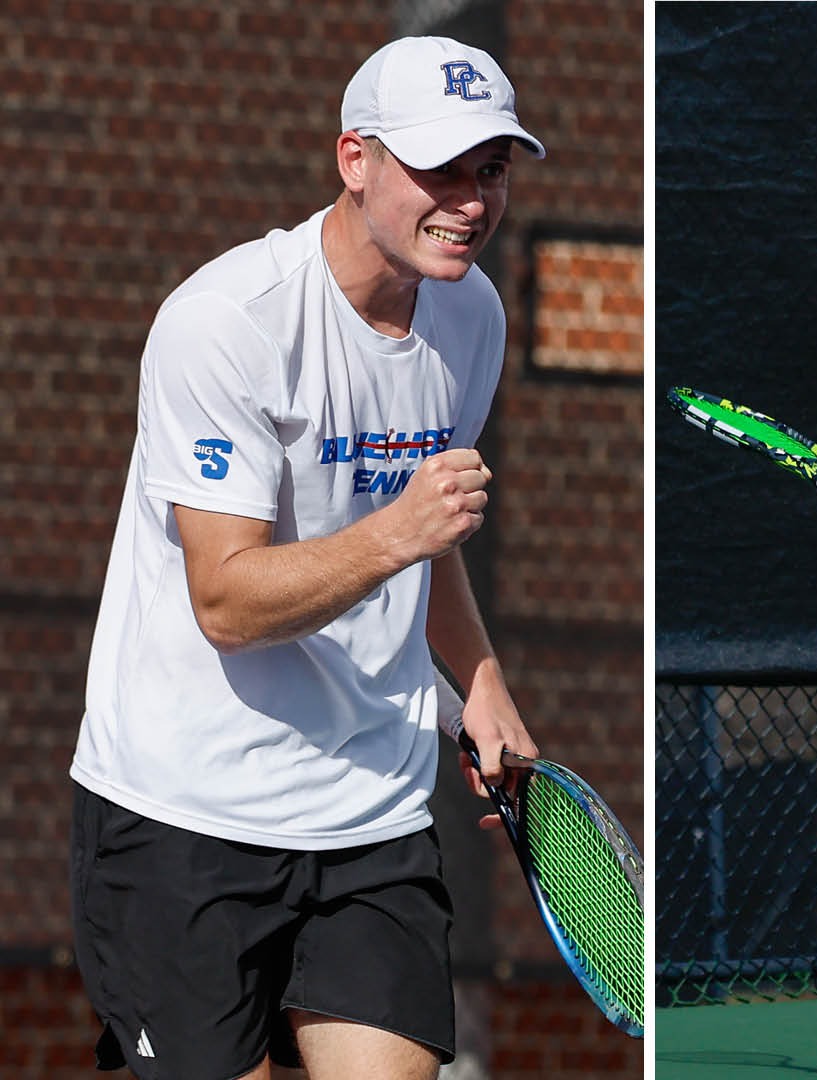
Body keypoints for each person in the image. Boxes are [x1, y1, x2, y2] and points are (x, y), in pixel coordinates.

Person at [68, 36, 545, 1080]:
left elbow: (423, 526)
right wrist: (402, 536)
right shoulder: (224, 325)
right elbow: (227, 600)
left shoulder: (472, 315)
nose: (471, 201)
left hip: (370, 812)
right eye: (441, 169)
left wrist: (483, 684)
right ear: (354, 159)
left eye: (492, 170)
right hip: (181, 817)